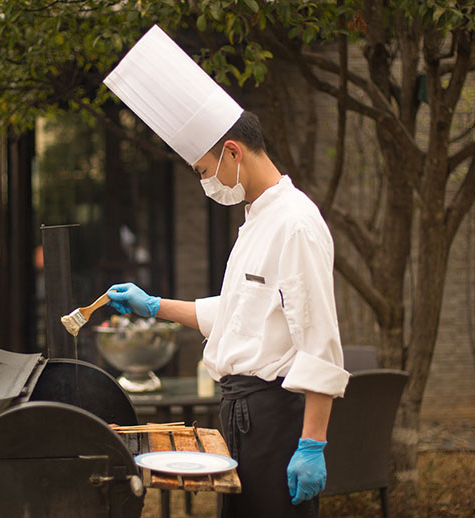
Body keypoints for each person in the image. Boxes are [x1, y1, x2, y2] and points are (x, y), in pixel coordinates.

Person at [102, 26, 349, 518]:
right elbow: (239, 314)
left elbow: (319, 341)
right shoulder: (256, 219)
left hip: (275, 418)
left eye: (202, 170)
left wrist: (313, 443)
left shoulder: (295, 223)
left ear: (233, 152)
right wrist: (154, 305)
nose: (204, 183)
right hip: (240, 415)